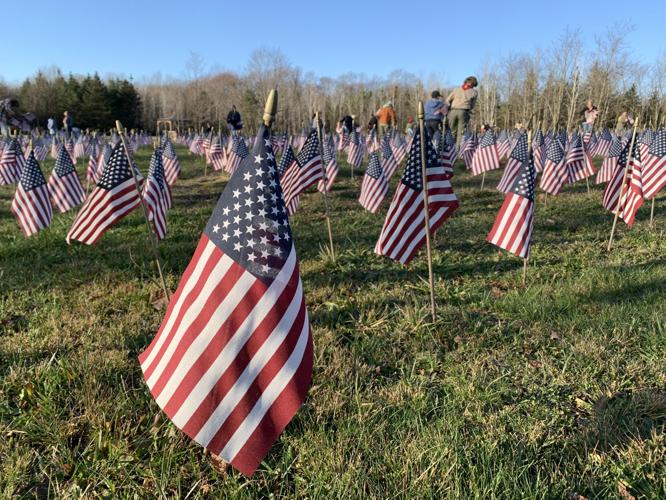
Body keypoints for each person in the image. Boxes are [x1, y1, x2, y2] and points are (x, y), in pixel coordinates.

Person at [446, 76, 479, 146]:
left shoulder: (456, 89)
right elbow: (472, 106)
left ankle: (449, 149)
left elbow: (447, 100)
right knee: (461, 133)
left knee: (451, 131)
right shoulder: (474, 92)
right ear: (473, 84)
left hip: (453, 111)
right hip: (464, 112)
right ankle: (458, 151)